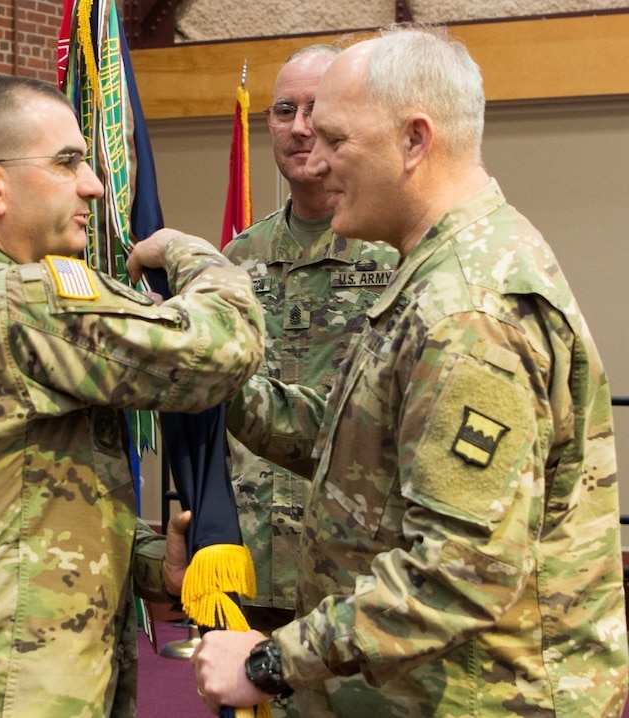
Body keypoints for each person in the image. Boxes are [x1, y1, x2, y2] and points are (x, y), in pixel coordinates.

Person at [192, 24, 629, 717]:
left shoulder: (468, 312)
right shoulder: (433, 274)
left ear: (414, 140)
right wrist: (216, 380)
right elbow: (360, 451)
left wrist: (272, 660)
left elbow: (461, 574)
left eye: (337, 139)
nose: (318, 160)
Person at [0, 73, 265, 718]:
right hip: (0, 693)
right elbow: (227, 347)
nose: (93, 184)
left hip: (3, 679)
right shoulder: (16, 302)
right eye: (67, 162)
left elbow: (23, 503)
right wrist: (188, 253)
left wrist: (150, 565)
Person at [222, 43, 399, 639]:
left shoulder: (397, 253)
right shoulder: (238, 258)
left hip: (356, 560)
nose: (299, 128)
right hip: (252, 555)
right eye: (282, 110)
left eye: (315, 110)